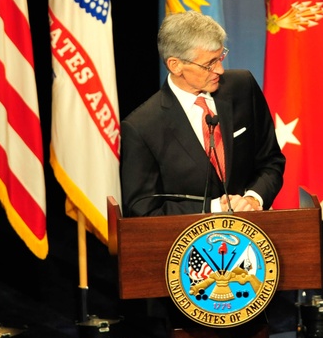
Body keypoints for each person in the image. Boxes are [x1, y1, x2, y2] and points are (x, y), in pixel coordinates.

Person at [120, 11, 285, 216]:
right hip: (186, 243)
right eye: (209, 64)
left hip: (251, 232)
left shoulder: (243, 88)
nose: (220, 70)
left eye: (220, 57)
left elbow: (271, 161)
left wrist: (253, 198)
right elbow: (142, 209)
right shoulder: (141, 127)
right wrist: (213, 208)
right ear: (176, 65)